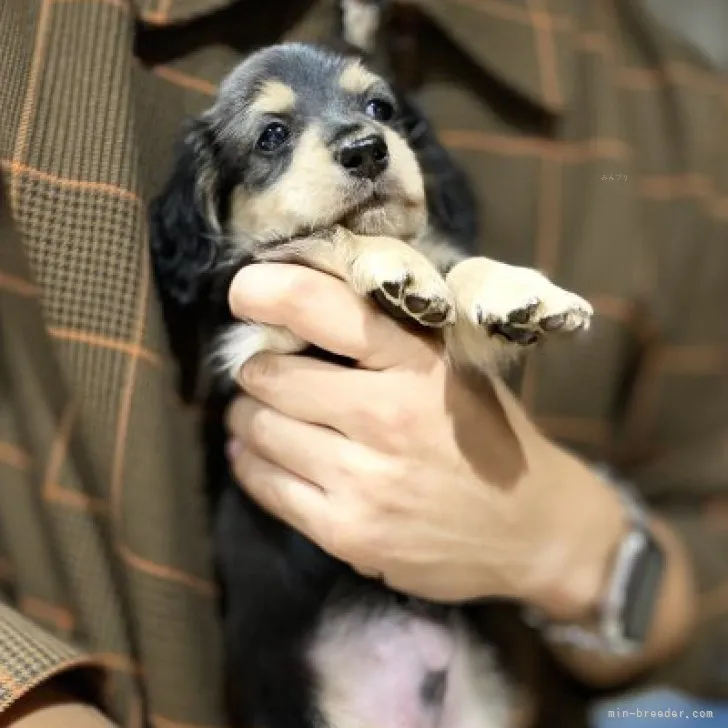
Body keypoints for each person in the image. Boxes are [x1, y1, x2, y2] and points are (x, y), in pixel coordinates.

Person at [0, 1, 726, 726]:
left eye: (375, 109)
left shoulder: (673, 106)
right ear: (211, 203)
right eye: (274, 136)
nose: (361, 139)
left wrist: (572, 539)